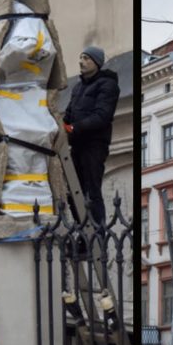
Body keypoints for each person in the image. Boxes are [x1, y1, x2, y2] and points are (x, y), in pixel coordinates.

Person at [63, 46, 120, 228]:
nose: (81, 62)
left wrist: (74, 128)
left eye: (86, 58)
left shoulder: (107, 85)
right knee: (73, 190)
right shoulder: (78, 87)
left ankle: (98, 234)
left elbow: (102, 116)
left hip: (94, 145)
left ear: (97, 62)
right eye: (81, 58)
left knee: (91, 191)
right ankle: (83, 230)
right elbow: (69, 114)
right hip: (77, 144)